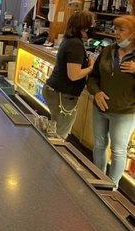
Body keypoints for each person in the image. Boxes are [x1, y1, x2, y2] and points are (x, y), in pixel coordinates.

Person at [87, 15, 135, 187]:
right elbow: (93, 78)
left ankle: (112, 186)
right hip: (100, 107)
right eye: (115, 29)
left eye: (121, 30)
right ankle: (99, 180)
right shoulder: (108, 51)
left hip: (124, 112)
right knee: (99, 145)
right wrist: (97, 92)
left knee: (118, 151)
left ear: (133, 33)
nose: (117, 34)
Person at [42, 11, 95, 139]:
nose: (93, 28)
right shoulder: (76, 44)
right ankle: (51, 158)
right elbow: (74, 75)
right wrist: (91, 67)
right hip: (64, 95)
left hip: (56, 90)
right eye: (91, 25)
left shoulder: (69, 41)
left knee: (53, 129)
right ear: (84, 27)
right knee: (59, 134)